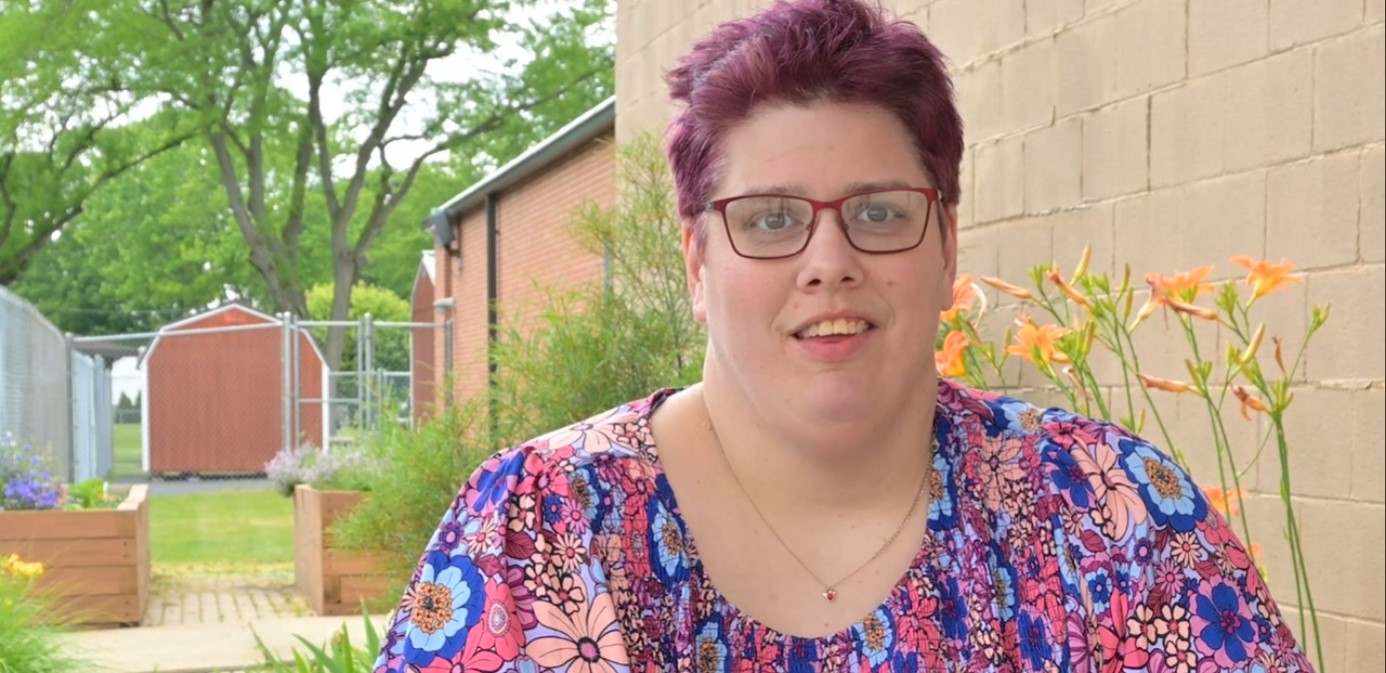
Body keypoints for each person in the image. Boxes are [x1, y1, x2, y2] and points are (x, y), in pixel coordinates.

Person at [371, 1, 1314, 670]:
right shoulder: (541, 528)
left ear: (947, 245)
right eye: (772, 218)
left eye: (879, 210)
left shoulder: (1110, 518)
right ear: (698, 262)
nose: (829, 260)